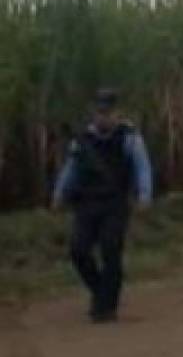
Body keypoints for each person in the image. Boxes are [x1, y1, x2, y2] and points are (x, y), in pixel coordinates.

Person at [51, 88, 153, 323]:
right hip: (87, 204)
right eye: (99, 112)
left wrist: (144, 195)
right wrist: (59, 194)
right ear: (94, 113)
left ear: (116, 113)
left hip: (115, 204)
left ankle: (106, 306)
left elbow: (142, 167)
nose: (103, 117)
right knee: (78, 250)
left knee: (111, 250)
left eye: (108, 112)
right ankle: (100, 293)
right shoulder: (83, 141)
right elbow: (71, 169)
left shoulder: (129, 137)